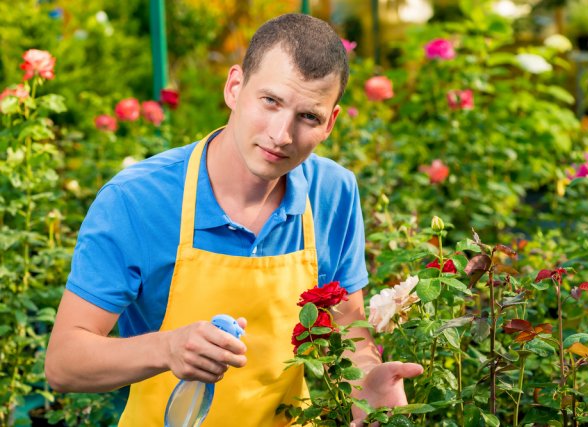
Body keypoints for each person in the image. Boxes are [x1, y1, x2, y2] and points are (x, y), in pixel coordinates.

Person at [45, 13, 422, 426]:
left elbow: (348, 326)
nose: (281, 134)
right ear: (234, 87)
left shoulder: (332, 192)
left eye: (308, 116)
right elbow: (64, 362)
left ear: (330, 123)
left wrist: (368, 382)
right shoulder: (136, 200)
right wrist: (168, 349)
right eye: (271, 101)